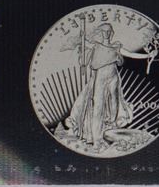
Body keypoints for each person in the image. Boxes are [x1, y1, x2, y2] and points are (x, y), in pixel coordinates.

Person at [63, 20, 153, 148]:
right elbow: (83, 60)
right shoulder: (95, 47)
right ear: (100, 33)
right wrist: (81, 44)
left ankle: (111, 130)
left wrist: (148, 55)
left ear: (112, 33)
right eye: (104, 31)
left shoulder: (116, 47)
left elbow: (131, 54)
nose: (107, 33)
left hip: (113, 77)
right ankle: (96, 140)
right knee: (97, 107)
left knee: (114, 104)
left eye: (109, 31)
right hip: (99, 78)